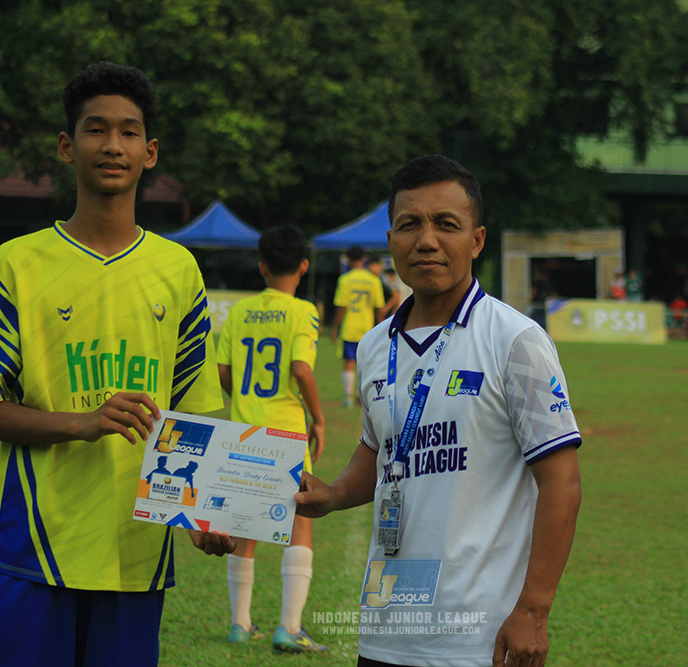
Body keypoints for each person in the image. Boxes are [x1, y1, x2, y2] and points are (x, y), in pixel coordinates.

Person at [0, 62, 235, 666]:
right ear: (66, 145)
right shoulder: (13, 265)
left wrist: (205, 510)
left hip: (136, 558)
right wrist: (83, 423)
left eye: (129, 132)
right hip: (31, 553)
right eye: (95, 129)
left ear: (150, 151)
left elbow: (196, 409)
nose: (113, 145)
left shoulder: (179, 270)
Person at [296, 154, 583, 667]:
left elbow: (561, 482)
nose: (426, 240)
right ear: (391, 242)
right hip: (386, 629)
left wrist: (534, 612)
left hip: (478, 638)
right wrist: (336, 494)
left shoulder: (515, 340)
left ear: (476, 239)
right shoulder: (372, 346)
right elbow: (380, 446)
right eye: (409, 225)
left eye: (446, 224)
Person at [216, 225, 328, 653]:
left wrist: (243, 402)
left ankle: (240, 624)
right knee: (301, 517)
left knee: (245, 522)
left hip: (244, 429)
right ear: (303, 266)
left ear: (261, 266)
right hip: (285, 432)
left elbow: (223, 370)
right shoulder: (303, 311)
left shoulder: (240, 311)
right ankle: (290, 627)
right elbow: (301, 368)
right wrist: (318, 418)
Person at [330, 245, 385, 406]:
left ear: (349, 260)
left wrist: (334, 328)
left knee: (349, 362)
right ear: (364, 259)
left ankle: (348, 398)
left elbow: (341, 307)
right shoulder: (374, 280)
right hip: (367, 330)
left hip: (349, 329)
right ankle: (362, 397)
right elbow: (379, 308)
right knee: (366, 365)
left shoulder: (345, 279)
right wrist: (380, 330)